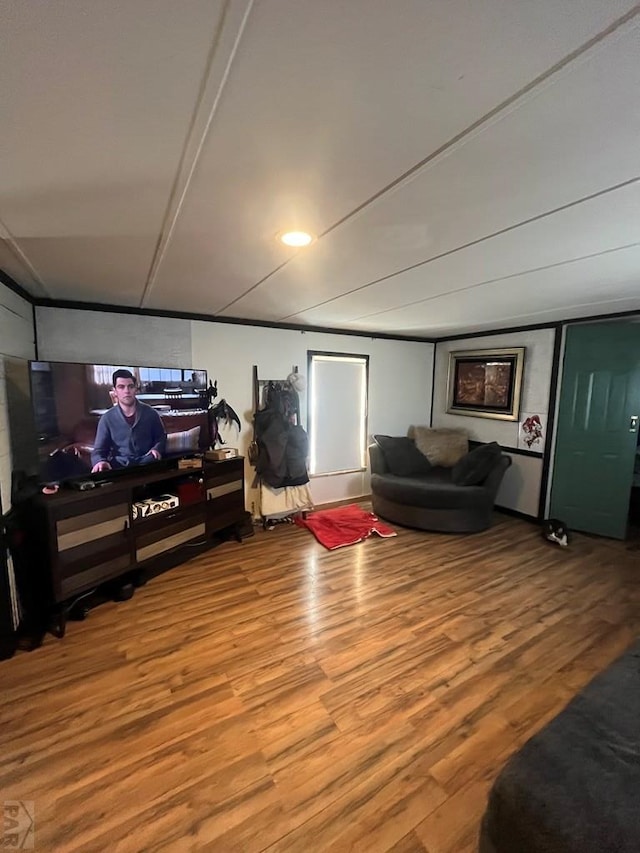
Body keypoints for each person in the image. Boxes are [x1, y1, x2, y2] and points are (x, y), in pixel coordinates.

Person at [91, 369, 166, 473]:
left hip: (148, 463)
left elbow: (161, 438)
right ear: (115, 391)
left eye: (130, 386)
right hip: (120, 466)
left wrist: (156, 449)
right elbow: (99, 450)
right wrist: (99, 461)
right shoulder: (107, 419)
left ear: (135, 389)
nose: (127, 391)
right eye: (121, 387)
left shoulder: (150, 413)